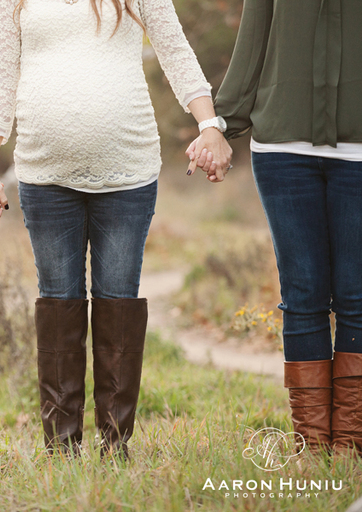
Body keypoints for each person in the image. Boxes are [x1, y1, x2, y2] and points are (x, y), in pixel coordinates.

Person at [0, 0, 233, 457]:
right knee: (58, 301)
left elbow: (174, 50)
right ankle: (62, 448)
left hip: (128, 171)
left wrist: (209, 125)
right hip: (44, 173)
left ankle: (116, 446)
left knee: (118, 300)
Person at [203, 0, 362, 454]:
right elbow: (253, 39)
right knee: (303, 294)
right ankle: (312, 446)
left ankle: (350, 443)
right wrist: (220, 125)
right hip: (282, 149)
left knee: (358, 295)